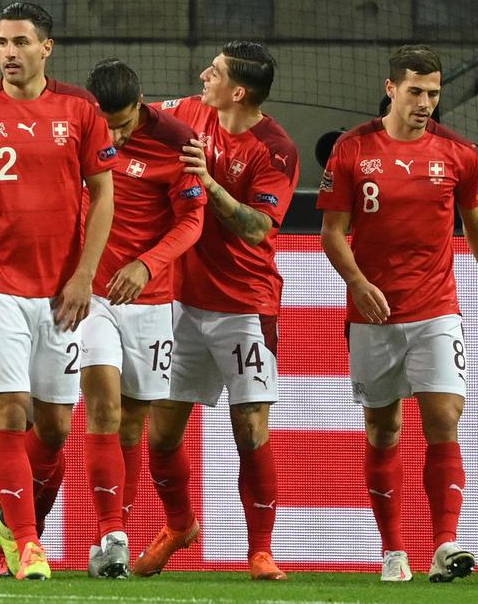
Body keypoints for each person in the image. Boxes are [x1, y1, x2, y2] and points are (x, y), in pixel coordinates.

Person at [317, 44, 478, 583]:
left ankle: (445, 543)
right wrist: (357, 283)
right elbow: (331, 234)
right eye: (415, 92)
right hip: (373, 315)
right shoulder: (351, 150)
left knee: (444, 418)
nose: (425, 102)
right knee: (383, 427)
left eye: (433, 92)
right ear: (391, 89)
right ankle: (392, 550)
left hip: (436, 310)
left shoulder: (460, 154)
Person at [0, 2, 116, 580]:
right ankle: (29, 543)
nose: (8, 52)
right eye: (1, 42)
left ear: (46, 48)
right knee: (7, 415)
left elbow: (103, 194)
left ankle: (3, 519)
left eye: (19, 42)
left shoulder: (80, 111)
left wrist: (85, 275)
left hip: (61, 292)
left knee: (56, 427)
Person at [133, 42, 297, 582]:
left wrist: (208, 183)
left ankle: (260, 550)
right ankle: (179, 525)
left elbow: (257, 227)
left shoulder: (274, 150)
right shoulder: (191, 112)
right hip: (182, 301)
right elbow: (138, 116)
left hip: (244, 305)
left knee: (249, 428)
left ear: (239, 92)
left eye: (217, 71)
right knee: (161, 433)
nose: (204, 74)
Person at [76, 58, 205, 579]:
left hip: (150, 301)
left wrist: (147, 264)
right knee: (103, 408)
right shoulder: (77, 128)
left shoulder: (177, 140)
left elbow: (192, 220)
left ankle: (119, 531)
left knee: (133, 422)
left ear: (142, 105)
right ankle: (111, 536)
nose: (114, 134)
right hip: (90, 295)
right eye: (106, 123)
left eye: (124, 123)